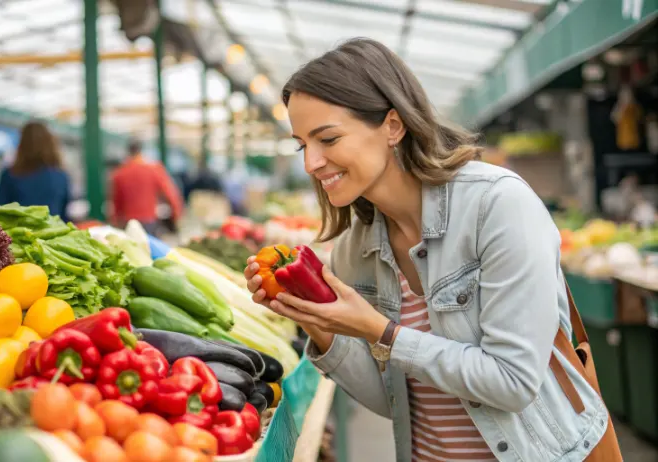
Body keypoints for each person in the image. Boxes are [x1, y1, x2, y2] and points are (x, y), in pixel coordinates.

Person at [244, 39, 615, 461]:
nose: (311, 163)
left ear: (393, 126)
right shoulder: (354, 250)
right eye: (301, 145)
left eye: (327, 139)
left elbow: (513, 382)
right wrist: (318, 322)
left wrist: (383, 332)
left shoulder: (496, 206)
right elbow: (396, 402)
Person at [0, 121, 71, 221]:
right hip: (52, 233)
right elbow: (64, 214)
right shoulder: (61, 176)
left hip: (17, 235)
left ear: (22, 144)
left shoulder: (9, 175)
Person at [108, 139, 183, 235]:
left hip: (128, 221)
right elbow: (170, 193)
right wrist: (176, 214)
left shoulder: (119, 173)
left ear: (128, 152)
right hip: (149, 219)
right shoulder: (153, 169)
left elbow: (116, 202)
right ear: (141, 150)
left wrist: (115, 221)